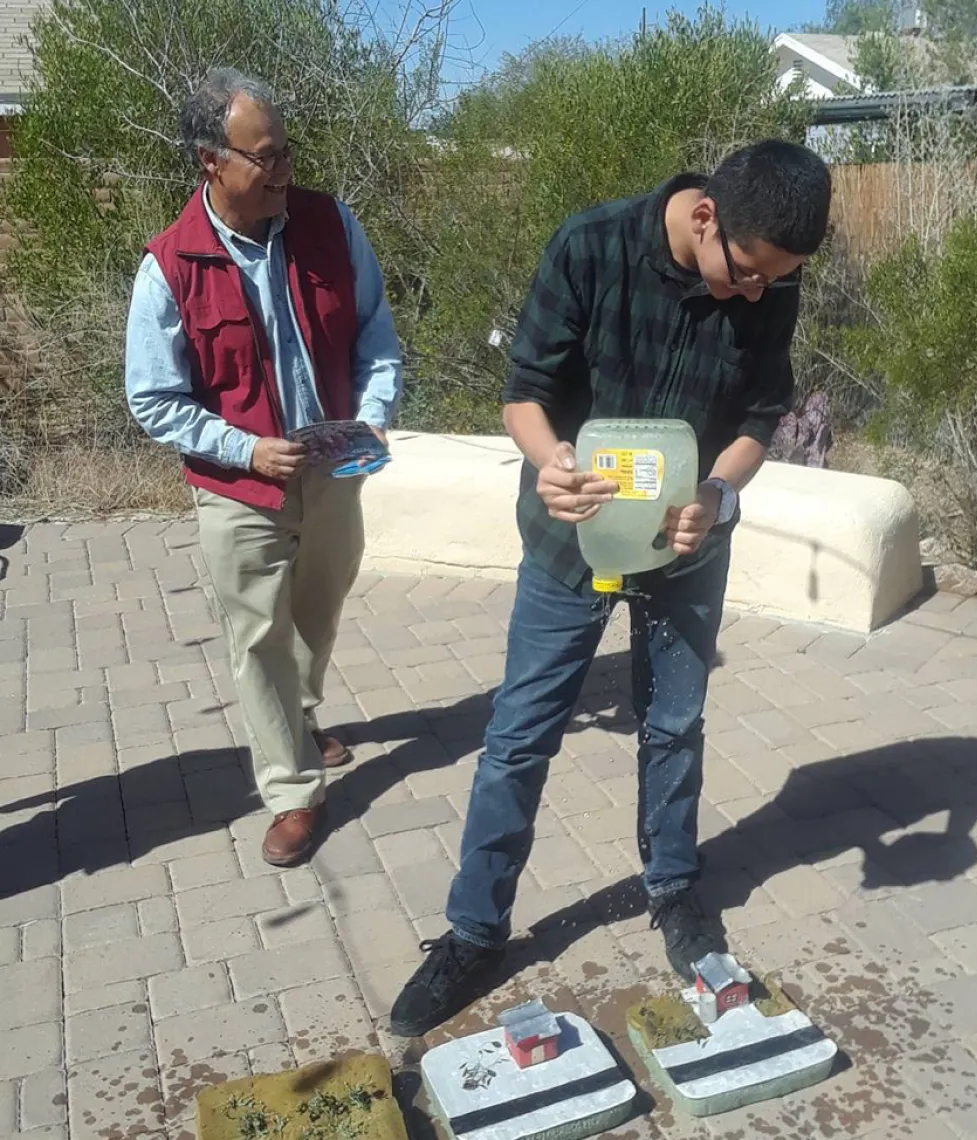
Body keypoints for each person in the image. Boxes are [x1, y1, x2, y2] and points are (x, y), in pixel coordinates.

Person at [390, 139, 832, 1037]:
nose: (755, 294)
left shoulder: (770, 273)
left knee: (675, 725)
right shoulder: (588, 246)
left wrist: (717, 491)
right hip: (571, 537)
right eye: (745, 274)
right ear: (704, 216)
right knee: (520, 732)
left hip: (686, 547)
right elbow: (525, 393)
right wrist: (550, 461)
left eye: (771, 282)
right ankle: (474, 932)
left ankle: (672, 890)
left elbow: (759, 416)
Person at [125, 69, 403, 867]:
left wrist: (373, 415)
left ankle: (302, 711)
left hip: (334, 469)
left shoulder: (332, 224)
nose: (285, 169)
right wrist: (246, 448)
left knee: (321, 605)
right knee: (258, 639)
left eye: (287, 151)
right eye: (266, 156)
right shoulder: (169, 266)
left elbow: (375, 336)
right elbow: (154, 400)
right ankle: (291, 790)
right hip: (239, 488)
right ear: (212, 161)